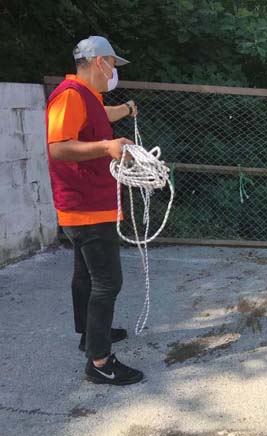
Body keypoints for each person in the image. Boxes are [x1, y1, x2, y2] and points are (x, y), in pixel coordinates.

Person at [46, 36, 143, 385]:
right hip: (85, 207)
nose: (113, 72)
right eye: (112, 65)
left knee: (86, 276)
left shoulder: (87, 96)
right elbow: (58, 148)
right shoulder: (70, 96)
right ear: (99, 62)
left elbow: (103, 114)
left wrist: (127, 109)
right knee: (107, 281)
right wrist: (106, 146)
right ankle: (100, 362)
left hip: (87, 203)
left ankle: (91, 336)